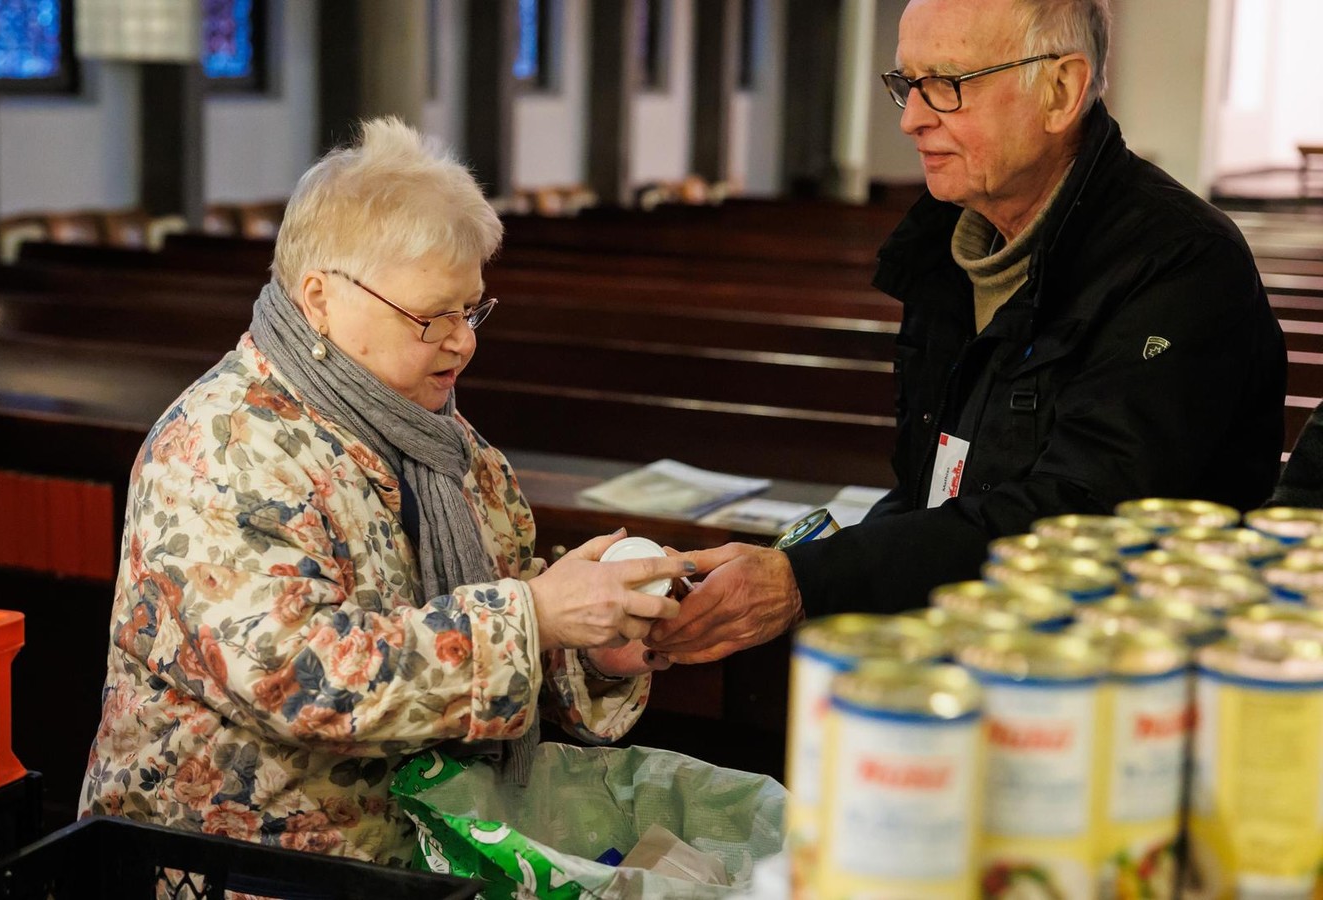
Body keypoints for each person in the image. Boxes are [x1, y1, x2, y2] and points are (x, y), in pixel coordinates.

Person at [78, 118, 689, 864]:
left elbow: (499, 609)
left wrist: (598, 646)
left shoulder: (439, 437)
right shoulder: (222, 445)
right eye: (432, 316)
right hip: (239, 863)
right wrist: (533, 618)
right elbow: (297, 680)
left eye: (471, 309)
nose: (464, 339)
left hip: (413, 855)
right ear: (319, 299)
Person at [648, 0, 1286, 664]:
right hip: (959, 642)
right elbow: (932, 486)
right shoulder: (948, 246)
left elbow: (1083, 517)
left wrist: (809, 581)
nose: (911, 119)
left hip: (1110, 670)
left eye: (947, 84)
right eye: (907, 83)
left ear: (1060, 90)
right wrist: (803, 566)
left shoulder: (1180, 262)